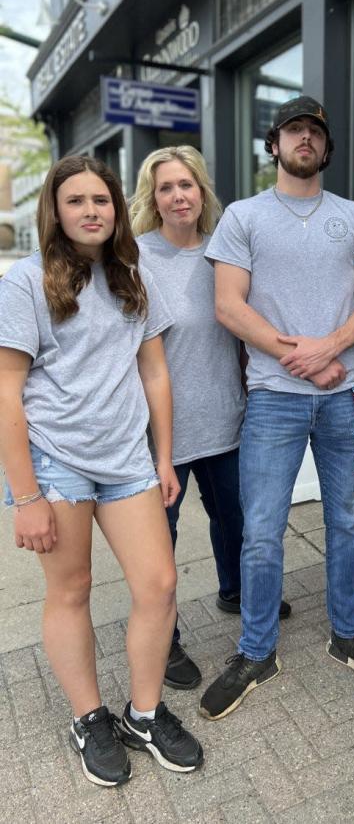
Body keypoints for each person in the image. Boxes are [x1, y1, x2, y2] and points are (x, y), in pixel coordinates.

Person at [0, 156, 203, 788]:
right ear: (55, 212)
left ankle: (143, 713)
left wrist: (163, 457)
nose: (92, 210)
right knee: (72, 590)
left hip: (127, 460)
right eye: (77, 200)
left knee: (160, 583)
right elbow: (7, 391)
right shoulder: (26, 282)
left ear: (117, 208)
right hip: (57, 463)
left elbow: (155, 372)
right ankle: (90, 717)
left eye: (102, 200)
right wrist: (25, 494)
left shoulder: (131, 274)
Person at [199, 95, 354, 721]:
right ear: (275, 143)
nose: (304, 139)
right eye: (293, 131)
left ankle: (347, 634)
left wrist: (331, 349)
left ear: (326, 145)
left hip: (346, 398)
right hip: (274, 401)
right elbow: (229, 305)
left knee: (345, 522)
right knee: (260, 531)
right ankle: (256, 650)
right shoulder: (243, 216)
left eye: (315, 130)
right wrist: (304, 357)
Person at [130, 145, 291, 691]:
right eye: (167, 187)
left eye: (187, 185)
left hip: (226, 419)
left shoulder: (225, 251)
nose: (179, 196)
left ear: (203, 192)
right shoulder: (134, 257)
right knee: (160, 542)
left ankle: (237, 593)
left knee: (235, 522)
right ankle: (166, 639)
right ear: (153, 197)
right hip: (161, 436)